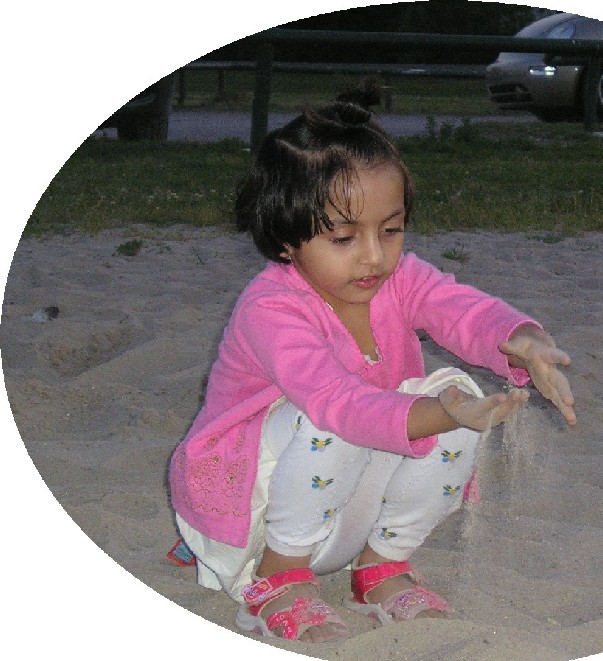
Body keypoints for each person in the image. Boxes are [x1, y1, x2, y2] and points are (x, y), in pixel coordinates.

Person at [168, 101, 577, 643]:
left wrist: (523, 342)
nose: (374, 257)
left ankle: (381, 566)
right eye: (344, 238)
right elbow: (338, 403)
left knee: (459, 395)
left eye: (391, 230)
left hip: (338, 511)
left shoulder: (397, 278)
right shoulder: (270, 308)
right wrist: (439, 414)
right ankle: (277, 579)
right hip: (253, 518)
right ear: (285, 238)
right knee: (343, 418)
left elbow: (461, 310)